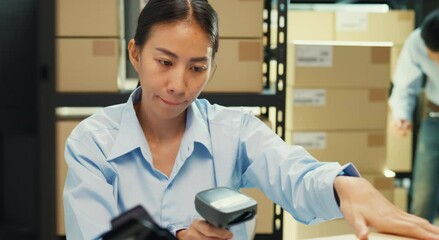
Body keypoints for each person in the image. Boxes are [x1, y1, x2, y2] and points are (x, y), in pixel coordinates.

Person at [63, 1, 439, 239]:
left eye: (197, 67)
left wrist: (343, 187)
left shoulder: (234, 130)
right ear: (135, 53)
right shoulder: (93, 142)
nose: (178, 84)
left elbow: (294, 173)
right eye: (164, 62)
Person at [390, 9, 439, 224]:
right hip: (435, 115)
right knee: (423, 194)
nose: (433, 60)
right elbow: (403, 86)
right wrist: (401, 115)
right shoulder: (417, 42)